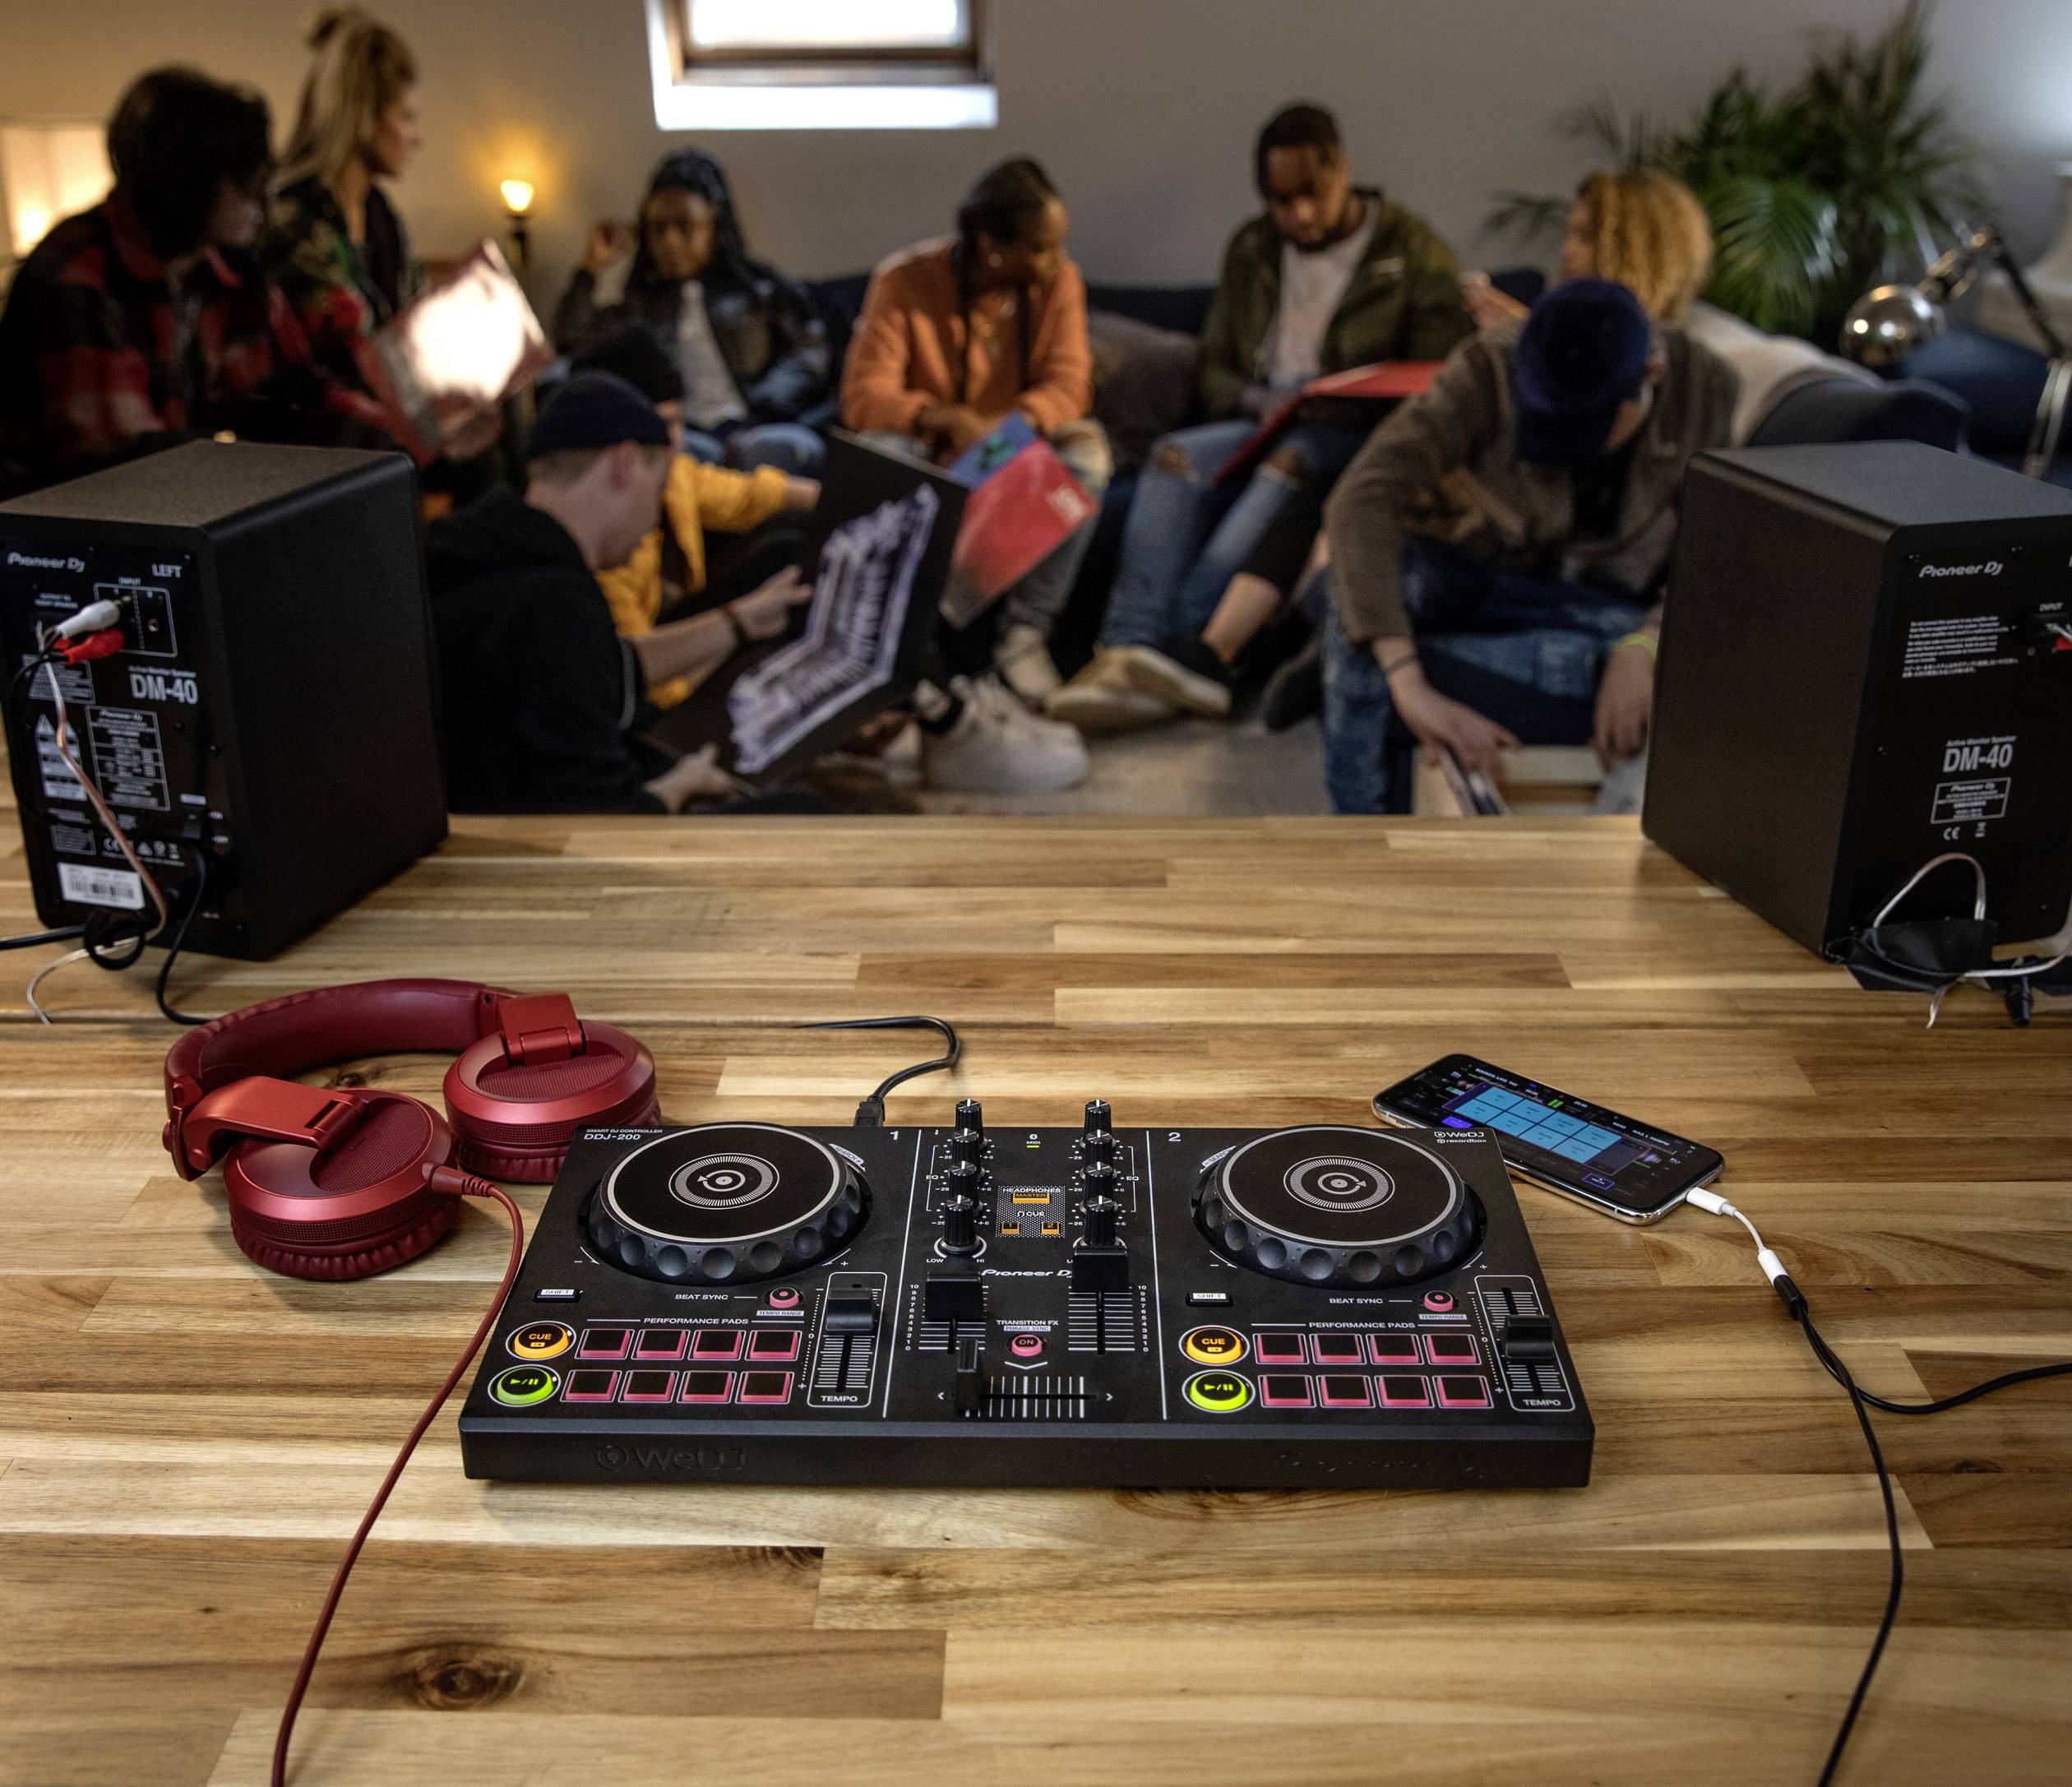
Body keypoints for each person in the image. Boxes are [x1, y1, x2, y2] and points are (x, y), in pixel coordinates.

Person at [1050, 103, 1472, 733]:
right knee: (1174, 455)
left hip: (1347, 429)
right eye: (1280, 201)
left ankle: (1178, 653)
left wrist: (1351, 397)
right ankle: (1122, 649)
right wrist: (1254, 400)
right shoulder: (1252, 247)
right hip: (1260, 414)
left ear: (1342, 170)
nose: (1298, 214)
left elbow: (1438, 372)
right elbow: (1213, 364)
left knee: (1289, 461)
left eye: (1310, 195)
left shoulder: (1411, 249)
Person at [1314, 278, 1737, 813]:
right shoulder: (1489, 366)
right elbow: (1361, 498)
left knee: (1684, 671)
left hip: (1598, 603)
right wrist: (1409, 684)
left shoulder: (1707, 391)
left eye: (1582, 425)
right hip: (1475, 570)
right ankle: (1357, 825)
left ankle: (1328, 666)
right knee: (1357, 583)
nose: (1561, 442)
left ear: (1650, 375)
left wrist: (1647, 645)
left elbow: (1717, 557)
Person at [426, 371, 810, 814]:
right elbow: (601, 811)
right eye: (659, 488)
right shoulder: (554, 600)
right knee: (799, 811)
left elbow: (606, 668)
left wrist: (742, 621)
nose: (652, 522)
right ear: (624, 463)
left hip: (480, 810)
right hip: (518, 840)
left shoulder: (496, 552)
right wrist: (680, 787)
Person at [0, 67, 387, 494]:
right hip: (61, 521)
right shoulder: (77, 272)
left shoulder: (227, 269)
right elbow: (122, 464)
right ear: (189, 183)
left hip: (172, 505)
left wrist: (404, 440)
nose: (265, 200)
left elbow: (297, 397)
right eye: (246, 183)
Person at [841, 155, 1113, 714]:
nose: (1056, 259)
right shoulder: (904, 280)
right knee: (881, 455)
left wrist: (1006, 432)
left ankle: (1025, 635)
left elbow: (1070, 385)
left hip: (1011, 445)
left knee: (1088, 454)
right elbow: (864, 398)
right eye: (1040, 247)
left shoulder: (1060, 281)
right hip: (929, 447)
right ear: (992, 247)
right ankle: (902, 636)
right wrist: (945, 421)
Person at [571, 326, 820, 708]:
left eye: (676, 421)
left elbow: (747, 495)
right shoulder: (604, 536)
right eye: (659, 424)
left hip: (671, 630)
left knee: (791, 534)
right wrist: (740, 627)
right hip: (649, 679)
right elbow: (646, 682)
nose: (673, 439)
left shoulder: (673, 472)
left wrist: (839, 499)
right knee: (786, 556)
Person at [555, 150, 827, 475]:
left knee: (780, 449)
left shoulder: (759, 291)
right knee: (662, 457)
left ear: (714, 225)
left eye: (685, 227)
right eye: (658, 228)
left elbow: (809, 351)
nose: (670, 242)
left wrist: (766, 405)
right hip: (682, 435)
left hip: (757, 427)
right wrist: (591, 269)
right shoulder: (638, 306)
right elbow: (573, 342)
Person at [261, 8, 423, 403]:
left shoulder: (382, 216)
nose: (417, 138)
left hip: (390, 421)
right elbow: (346, 359)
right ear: (364, 116)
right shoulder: (290, 220)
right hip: (318, 427)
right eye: (406, 118)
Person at [1461, 169, 1714, 331]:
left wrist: (1528, 340)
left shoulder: (1673, 363)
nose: (1567, 250)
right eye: (1570, 235)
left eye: (1586, 238)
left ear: (1638, 250)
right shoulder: (1562, 318)